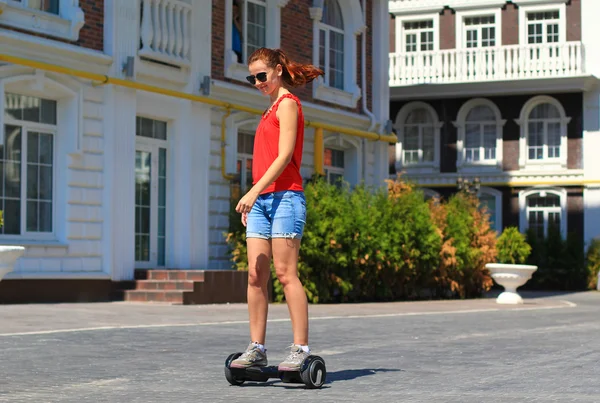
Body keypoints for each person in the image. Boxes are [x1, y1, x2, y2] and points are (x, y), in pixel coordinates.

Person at [230, 48, 324, 371]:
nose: (257, 82)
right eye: (252, 77)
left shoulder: (288, 106)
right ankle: (257, 347)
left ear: (278, 71)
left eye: (261, 76)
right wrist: (255, 198)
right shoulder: (268, 110)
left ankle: (301, 348)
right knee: (256, 275)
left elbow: (284, 157)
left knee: (286, 275)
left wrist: (253, 192)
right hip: (262, 202)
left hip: (286, 198)